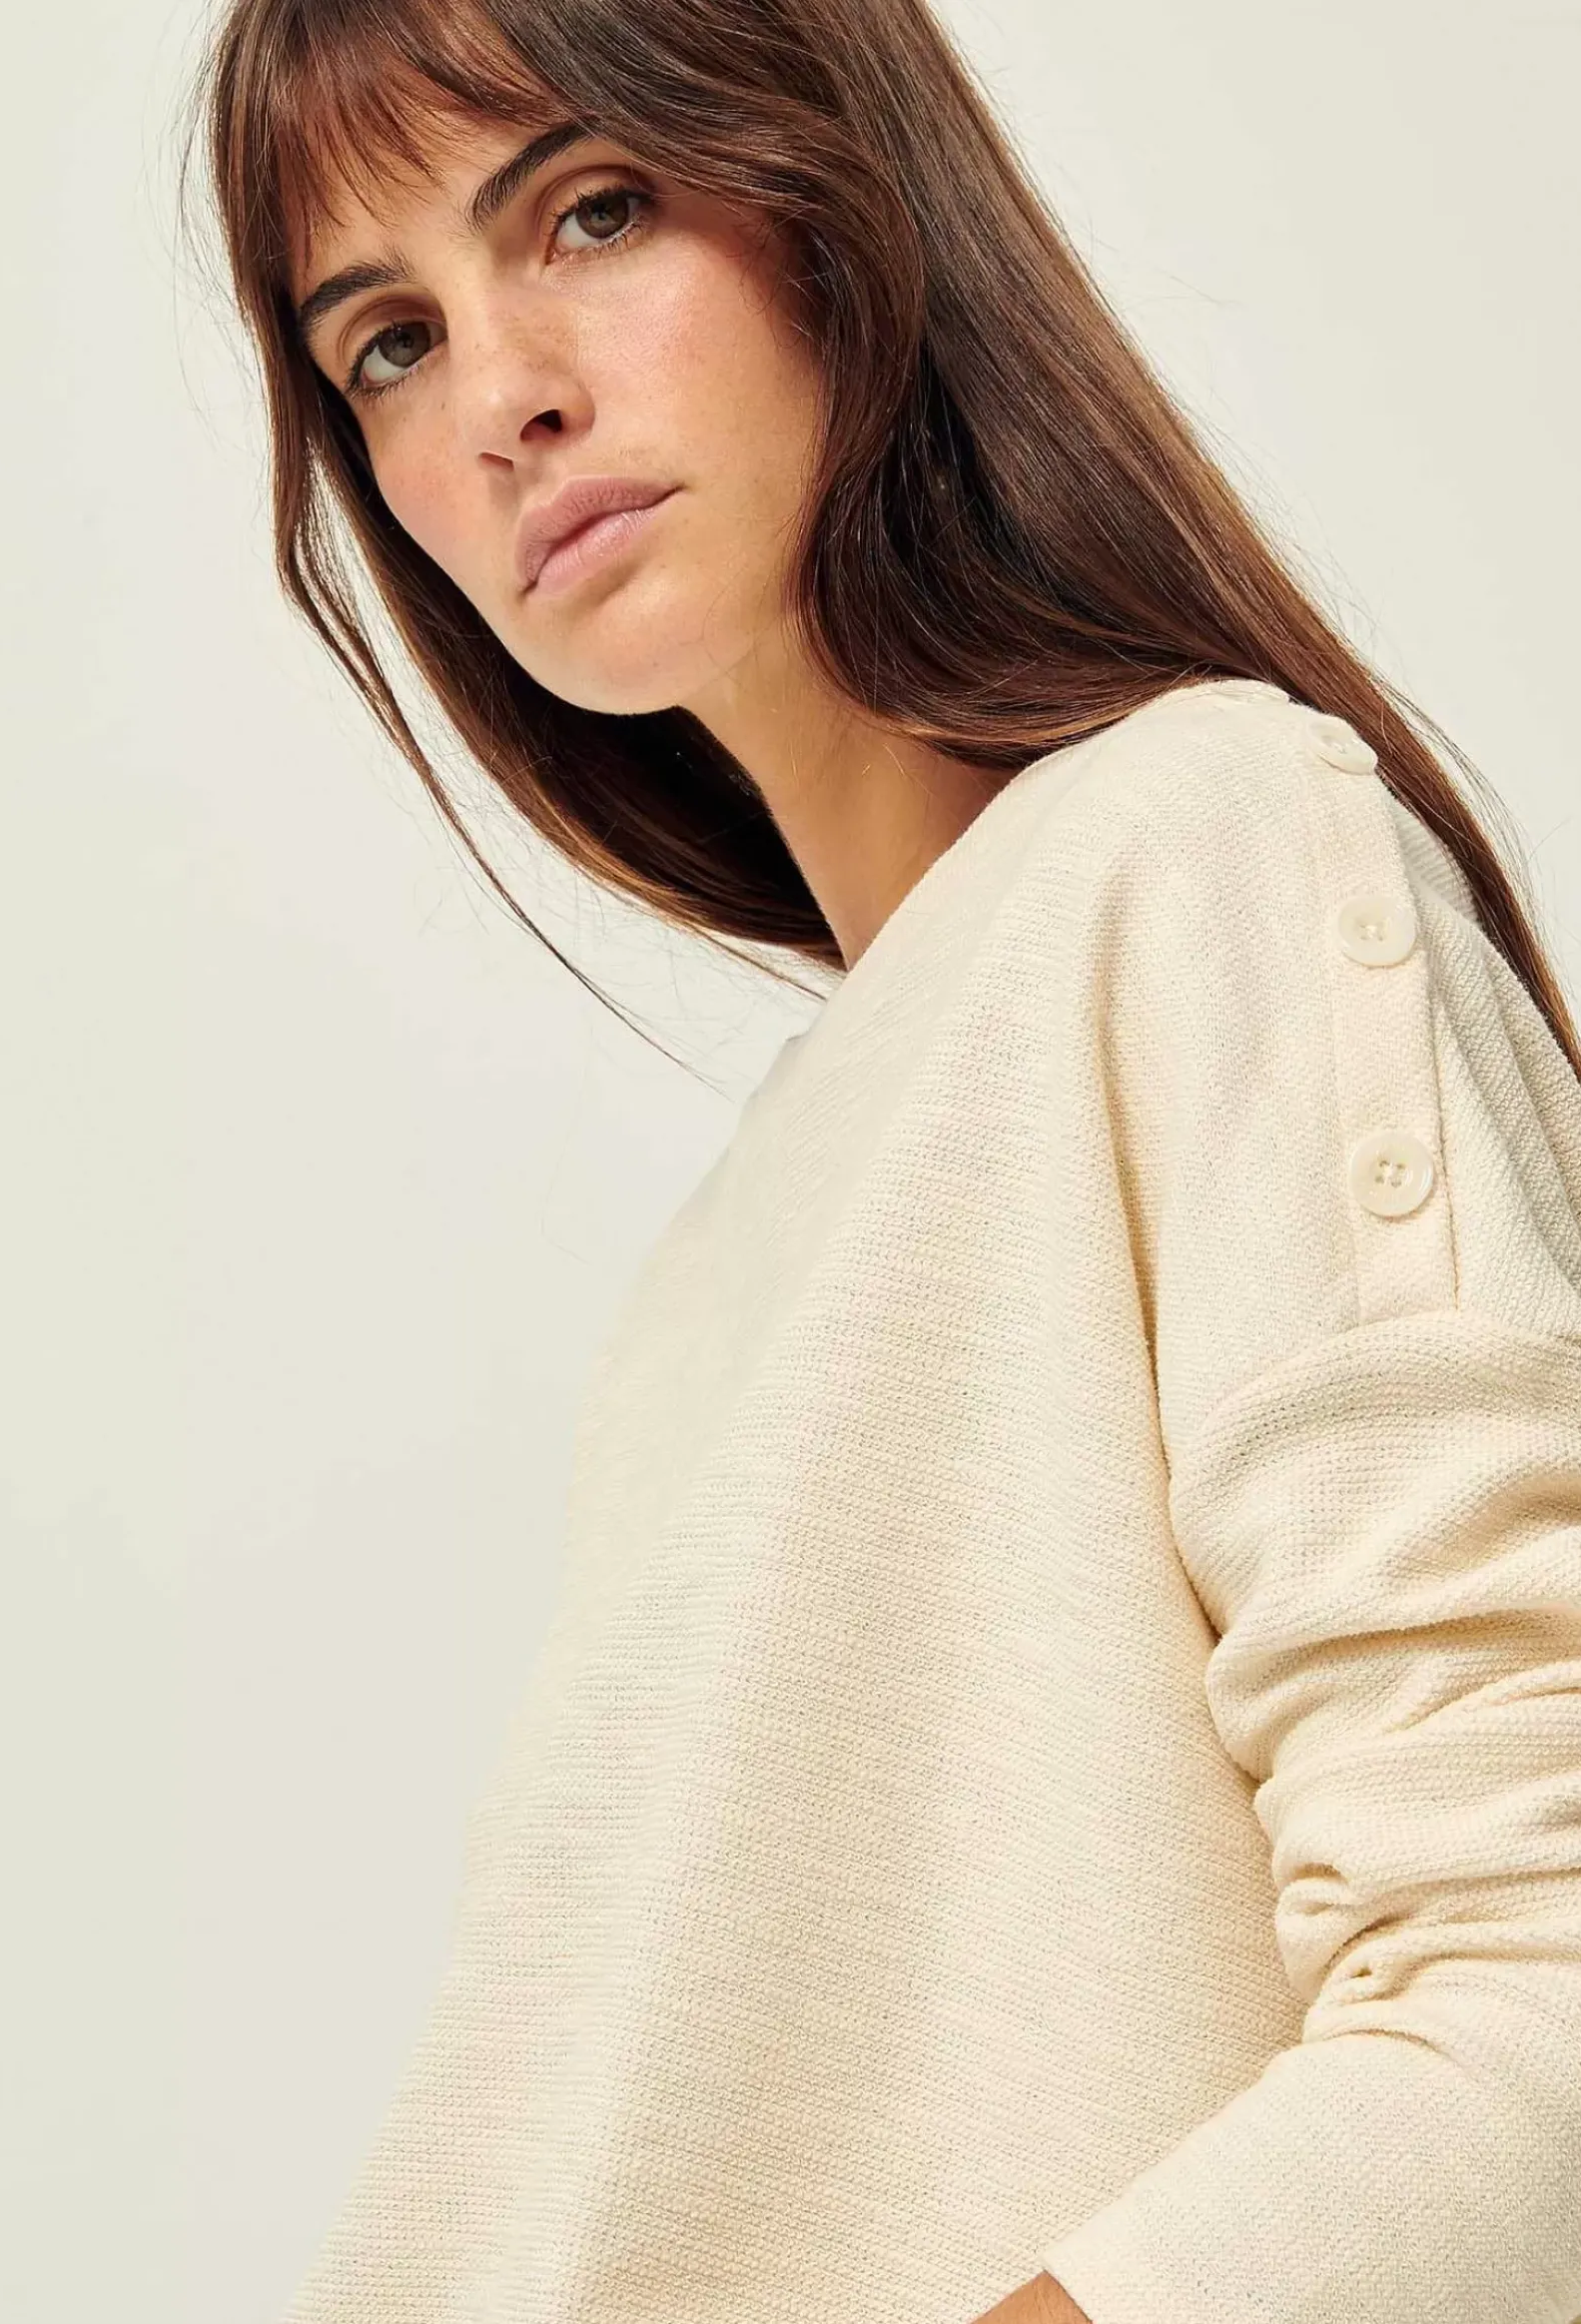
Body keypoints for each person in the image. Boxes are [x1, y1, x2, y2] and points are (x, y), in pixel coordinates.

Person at [185, 3, 1581, 2320]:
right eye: (390, 342)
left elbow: (1536, 1992)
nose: (502, 395)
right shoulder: (731, 1255)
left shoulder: (1212, 844)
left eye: (592, 210)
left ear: (834, 190)